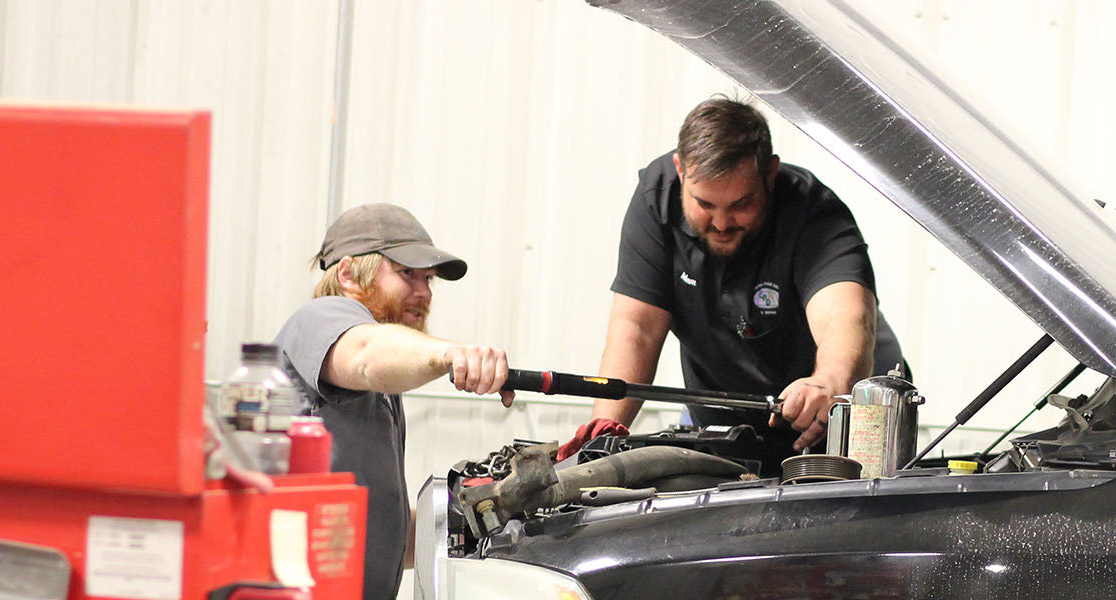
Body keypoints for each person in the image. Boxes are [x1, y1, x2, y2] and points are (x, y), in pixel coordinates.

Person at [561, 97, 907, 466]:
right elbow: (637, 329)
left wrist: (828, 382)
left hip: (838, 423)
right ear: (680, 170)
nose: (722, 223)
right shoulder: (656, 200)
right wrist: (602, 439)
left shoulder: (815, 213)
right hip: (723, 425)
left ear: (770, 175)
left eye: (741, 204)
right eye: (705, 205)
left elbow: (847, 318)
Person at [273, 203, 515, 600]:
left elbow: (382, 541)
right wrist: (451, 354)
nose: (424, 292)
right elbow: (367, 353)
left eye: (429, 278)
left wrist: (485, 514)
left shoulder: (383, 388)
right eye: (407, 274)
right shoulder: (321, 318)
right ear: (348, 274)